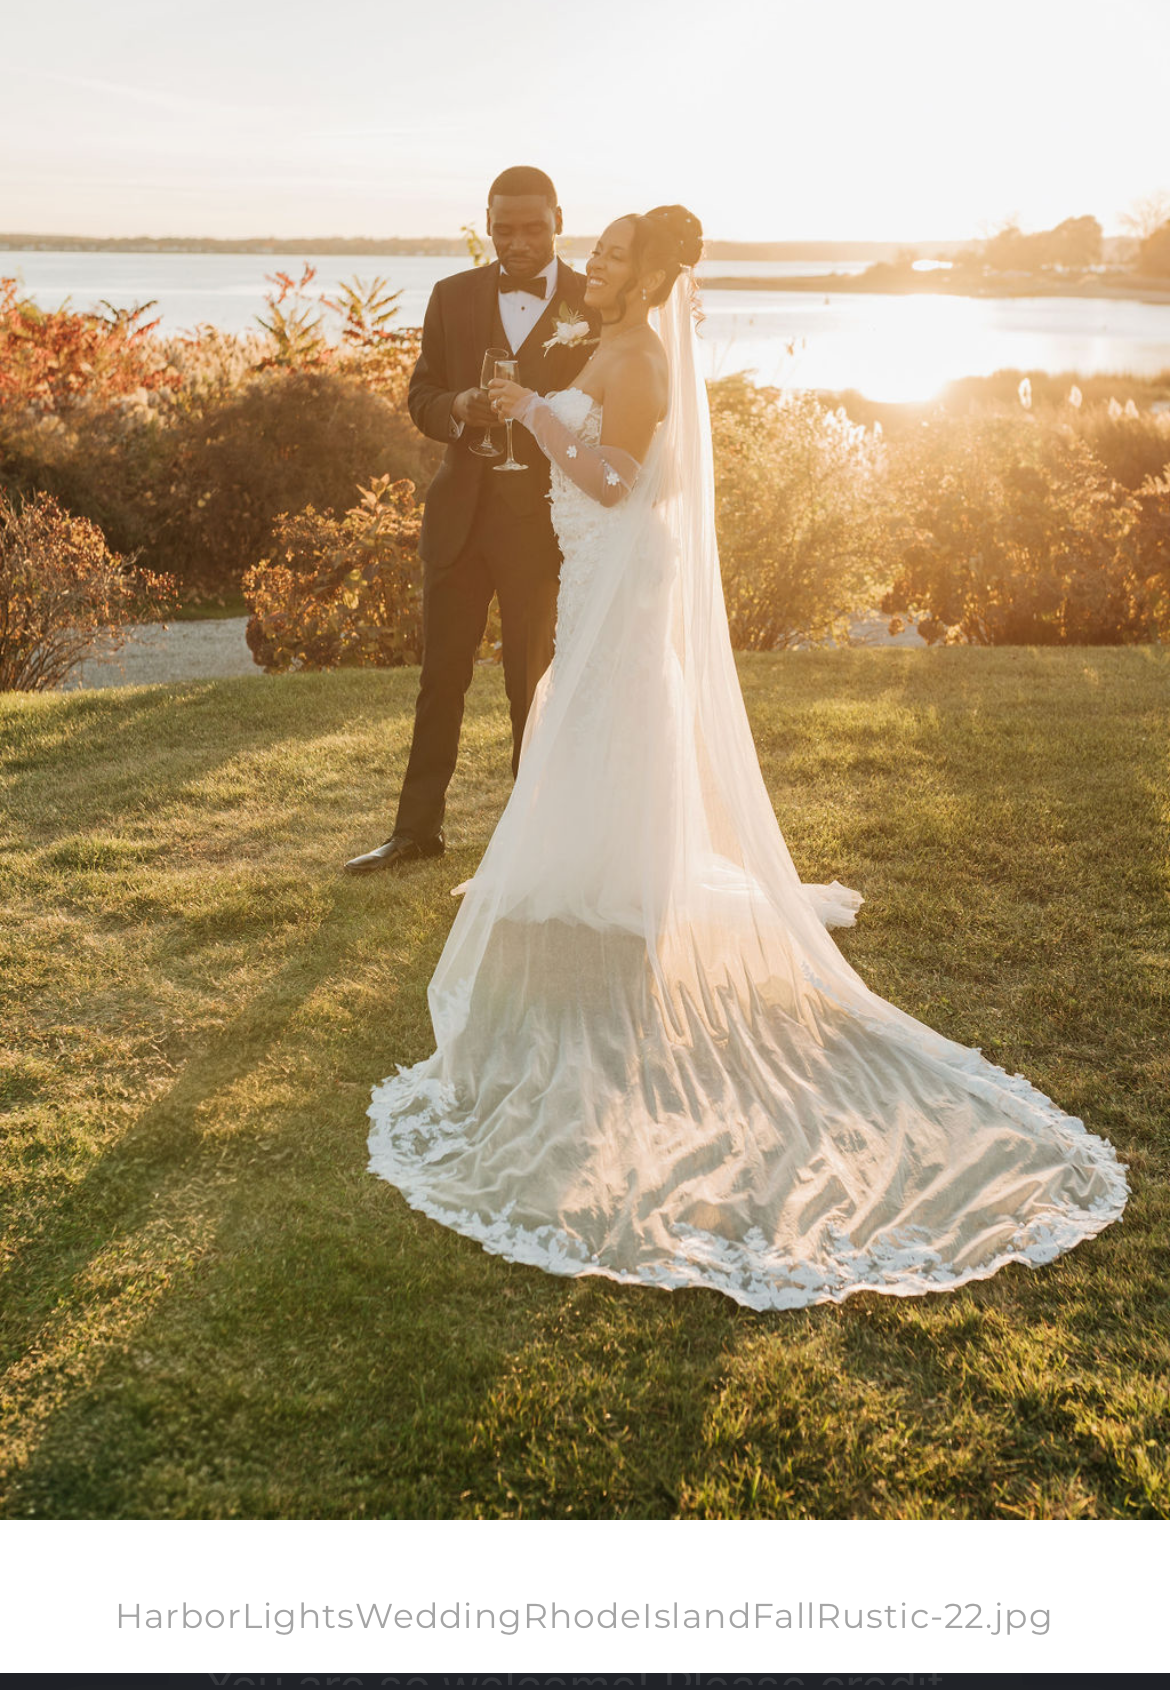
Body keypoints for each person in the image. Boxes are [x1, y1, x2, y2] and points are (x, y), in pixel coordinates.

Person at [367, 206, 1126, 1310]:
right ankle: (600, 879)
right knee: (581, 718)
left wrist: (532, 409)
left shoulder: (638, 356)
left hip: (624, 570)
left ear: (644, 276)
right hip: (598, 573)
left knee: (597, 715)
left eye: (615, 256)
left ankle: (618, 892)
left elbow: (624, 482)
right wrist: (527, 405)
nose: (598, 269)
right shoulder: (608, 344)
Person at [345, 166, 594, 874]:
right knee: (440, 679)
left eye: (532, 227)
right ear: (487, 223)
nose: (517, 242)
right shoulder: (451, 296)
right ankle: (416, 831)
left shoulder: (593, 303)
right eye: (503, 228)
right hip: (457, 519)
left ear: (558, 221)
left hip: (541, 525)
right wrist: (458, 407)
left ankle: (528, 842)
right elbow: (421, 396)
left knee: (529, 684)